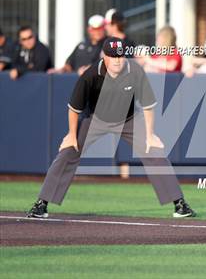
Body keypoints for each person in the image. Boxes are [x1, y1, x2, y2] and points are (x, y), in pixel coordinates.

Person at [26, 37, 196, 219]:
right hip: (95, 119)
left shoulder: (134, 71)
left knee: (154, 151)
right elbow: (74, 108)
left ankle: (179, 204)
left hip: (128, 119)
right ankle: (41, 204)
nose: (117, 60)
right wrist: (70, 134)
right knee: (68, 151)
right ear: (104, 56)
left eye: (121, 56)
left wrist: (150, 134)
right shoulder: (91, 74)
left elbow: (148, 105)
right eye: (113, 56)